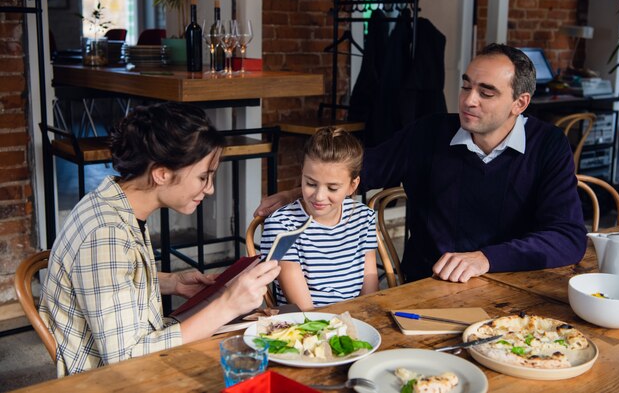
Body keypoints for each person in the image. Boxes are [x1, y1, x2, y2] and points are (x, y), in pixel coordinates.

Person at [255, 43, 587, 284]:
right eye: (466, 85)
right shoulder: (429, 132)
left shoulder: (548, 145)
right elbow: (356, 170)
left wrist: (487, 258)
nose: (469, 100)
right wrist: (294, 193)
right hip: (429, 286)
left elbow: (569, 237)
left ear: (520, 103)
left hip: (513, 287)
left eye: (486, 93)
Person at [39, 103, 281, 377]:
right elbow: (127, 359)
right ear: (162, 174)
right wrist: (226, 306)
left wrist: (170, 282)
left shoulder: (113, 202)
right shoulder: (105, 235)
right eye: (203, 177)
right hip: (112, 380)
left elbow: (109, 279)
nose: (210, 189)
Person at [259, 127, 379, 310]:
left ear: (352, 185)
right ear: (302, 173)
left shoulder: (364, 218)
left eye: (332, 188)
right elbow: (304, 310)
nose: (319, 196)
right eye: (311, 183)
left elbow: (369, 294)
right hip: (307, 328)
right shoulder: (282, 223)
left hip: (356, 321)